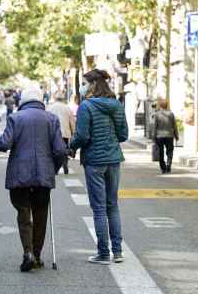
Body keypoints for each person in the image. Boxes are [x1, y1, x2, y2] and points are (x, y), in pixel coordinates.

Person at [0, 84, 66, 272]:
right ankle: (37, 256)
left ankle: (28, 252)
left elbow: (4, 143)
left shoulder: (15, 118)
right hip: (43, 175)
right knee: (40, 214)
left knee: (23, 212)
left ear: (23, 101)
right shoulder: (51, 119)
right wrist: (52, 169)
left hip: (19, 174)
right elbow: (60, 150)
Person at [70, 69, 128, 265]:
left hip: (94, 161)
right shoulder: (117, 105)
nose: (82, 87)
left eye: (85, 83)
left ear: (93, 84)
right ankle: (118, 252)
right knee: (113, 205)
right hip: (113, 160)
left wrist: (71, 146)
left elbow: (82, 136)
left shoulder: (87, 106)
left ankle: (103, 253)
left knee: (99, 209)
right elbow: (123, 135)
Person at [48, 92, 75, 174]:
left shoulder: (50, 107)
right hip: (65, 133)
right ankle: (65, 164)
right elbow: (72, 122)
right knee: (64, 150)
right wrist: (74, 132)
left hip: (53, 133)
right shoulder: (67, 108)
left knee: (53, 150)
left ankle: (55, 167)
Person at [151, 99, 179, 174]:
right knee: (170, 151)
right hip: (169, 135)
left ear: (160, 106)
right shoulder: (171, 114)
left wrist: (153, 137)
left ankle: (163, 168)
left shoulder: (157, 114)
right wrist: (176, 135)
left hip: (159, 136)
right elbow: (174, 126)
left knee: (160, 152)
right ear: (167, 105)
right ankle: (168, 165)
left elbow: (155, 127)